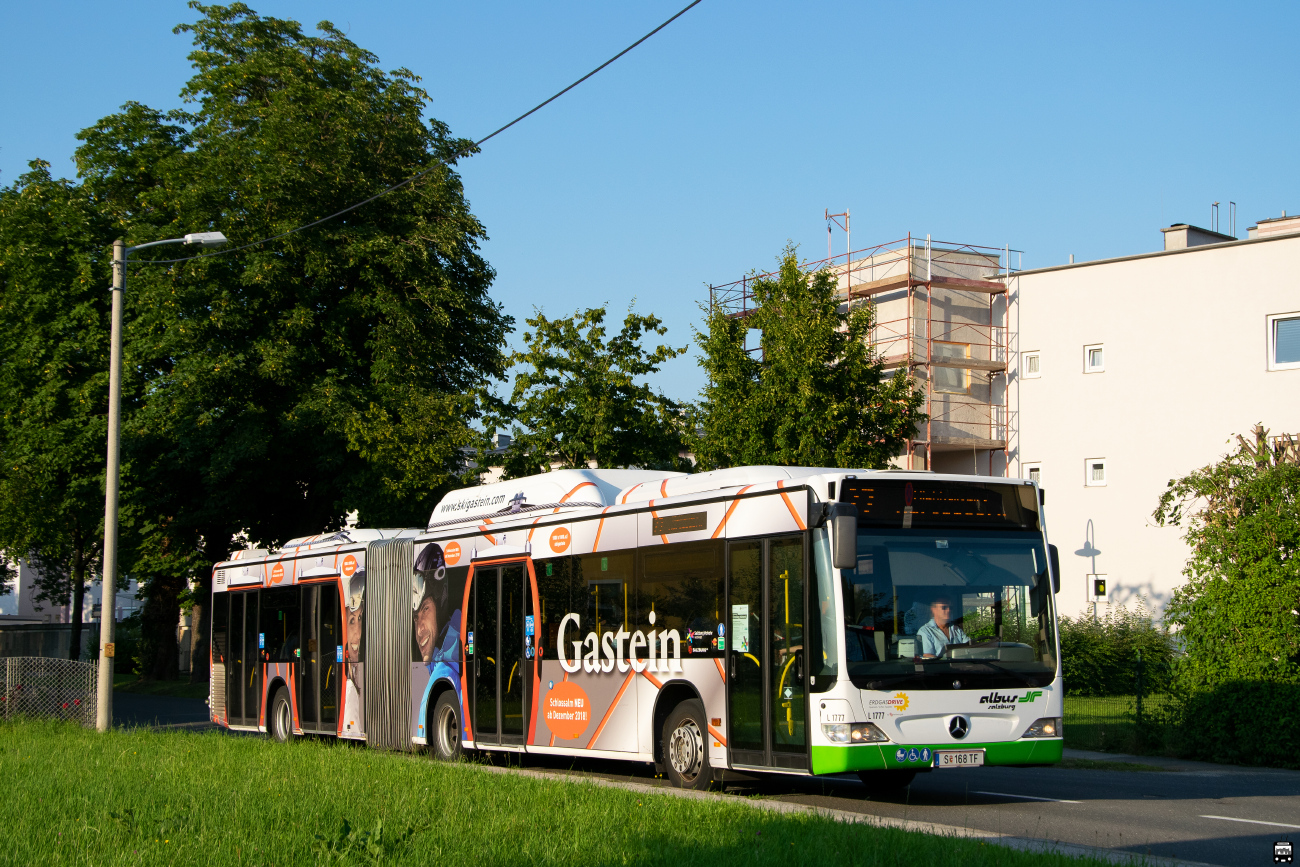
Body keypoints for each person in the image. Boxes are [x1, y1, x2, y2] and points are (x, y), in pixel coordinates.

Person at [918, 593, 970, 658]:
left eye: (950, 607)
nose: (949, 610)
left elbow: (969, 647)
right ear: (934, 609)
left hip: (961, 665)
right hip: (940, 667)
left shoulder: (956, 628)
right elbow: (927, 656)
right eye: (944, 607)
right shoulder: (925, 631)